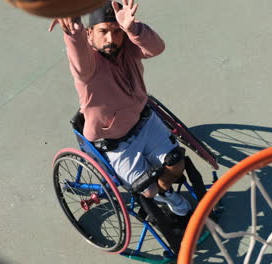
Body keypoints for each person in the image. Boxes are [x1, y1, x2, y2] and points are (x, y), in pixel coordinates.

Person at [49, 0, 191, 216]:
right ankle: (160, 193)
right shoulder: (88, 68)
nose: (111, 39)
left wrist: (132, 29)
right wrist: (73, 33)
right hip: (116, 145)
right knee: (149, 190)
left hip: (146, 123)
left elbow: (157, 48)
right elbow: (78, 63)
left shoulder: (128, 48)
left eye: (116, 32)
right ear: (90, 33)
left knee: (176, 165)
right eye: (103, 31)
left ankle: (164, 191)